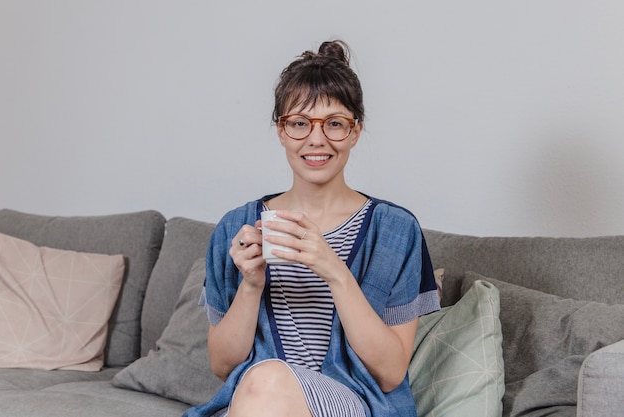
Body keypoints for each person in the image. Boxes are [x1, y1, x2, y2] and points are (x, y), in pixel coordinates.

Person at [183, 40, 440, 417]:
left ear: (355, 131)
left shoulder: (396, 230)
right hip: (254, 400)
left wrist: (335, 271)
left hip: (352, 404)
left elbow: (389, 373)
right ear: (281, 131)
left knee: (267, 380)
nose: (316, 139)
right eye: (299, 123)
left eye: (334, 124)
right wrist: (251, 284)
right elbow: (223, 367)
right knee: (264, 382)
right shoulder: (234, 228)